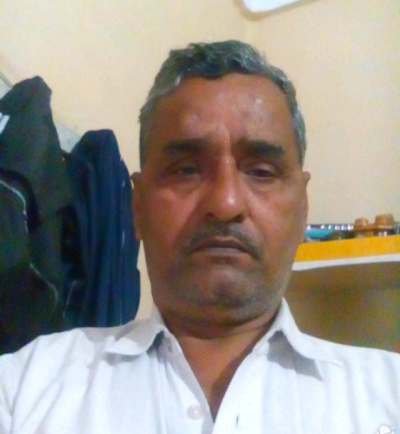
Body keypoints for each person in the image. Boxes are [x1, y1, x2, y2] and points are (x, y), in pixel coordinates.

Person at [0, 40, 399, 434]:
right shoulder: (23, 389)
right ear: (137, 207)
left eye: (261, 172)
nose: (225, 204)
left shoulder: (388, 394)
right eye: (186, 169)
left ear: (302, 210)